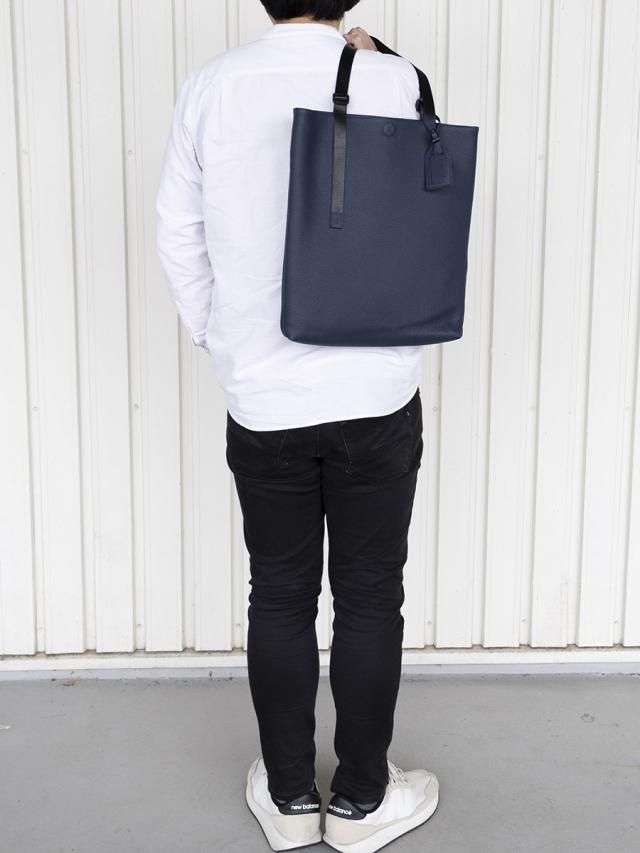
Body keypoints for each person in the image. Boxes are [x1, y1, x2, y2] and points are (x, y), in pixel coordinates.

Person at [155, 1, 439, 850]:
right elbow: (423, 185)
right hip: (375, 391)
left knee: (278, 591)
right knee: (369, 593)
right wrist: (379, 54)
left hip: (264, 398)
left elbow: (177, 232)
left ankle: (286, 798)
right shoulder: (395, 79)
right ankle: (360, 802)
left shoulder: (212, 86)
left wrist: (221, 338)